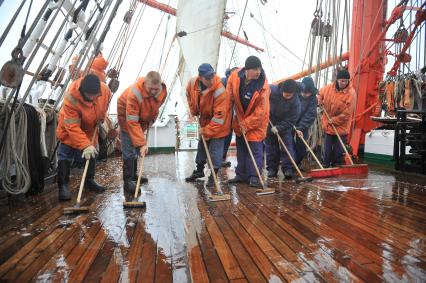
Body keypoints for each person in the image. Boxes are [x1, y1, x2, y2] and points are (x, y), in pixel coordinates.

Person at [56, 74, 111, 201]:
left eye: (95, 95)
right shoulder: (71, 96)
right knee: (65, 154)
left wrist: (101, 117)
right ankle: (63, 186)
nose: (92, 98)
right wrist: (85, 145)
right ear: (82, 90)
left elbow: (105, 104)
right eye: (89, 95)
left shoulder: (105, 90)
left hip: (90, 127)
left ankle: (89, 181)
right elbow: (72, 126)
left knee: (92, 153)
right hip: (69, 128)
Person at [117, 71, 167, 192]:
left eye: (156, 89)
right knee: (129, 148)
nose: (154, 92)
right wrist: (142, 144)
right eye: (151, 89)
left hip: (142, 117)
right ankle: (128, 181)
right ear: (145, 83)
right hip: (127, 117)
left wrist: (151, 120)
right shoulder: (135, 93)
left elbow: (156, 107)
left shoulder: (162, 91)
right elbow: (132, 122)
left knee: (135, 149)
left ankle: (134, 175)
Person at [226, 56, 270, 187]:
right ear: (247, 70)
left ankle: (254, 176)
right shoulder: (235, 76)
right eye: (255, 69)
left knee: (255, 151)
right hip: (240, 119)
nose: (258, 71)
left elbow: (261, 112)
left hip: (257, 123)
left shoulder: (263, 86)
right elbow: (229, 89)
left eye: (259, 69)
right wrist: (230, 98)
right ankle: (241, 175)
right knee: (242, 149)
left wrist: (245, 125)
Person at [185, 63, 231, 186]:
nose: (211, 80)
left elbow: (219, 118)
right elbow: (189, 96)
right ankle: (199, 171)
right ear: (200, 77)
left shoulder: (220, 91)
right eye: (207, 78)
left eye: (212, 76)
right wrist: (193, 111)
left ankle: (213, 175)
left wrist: (205, 131)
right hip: (205, 120)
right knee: (202, 146)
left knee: (215, 150)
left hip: (220, 123)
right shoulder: (191, 83)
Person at [318, 68, 356, 167]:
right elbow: (319, 95)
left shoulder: (351, 93)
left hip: (341, 126)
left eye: (345, 81)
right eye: (341, 80)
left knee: (338, 150)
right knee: (327, 148)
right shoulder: (328, 88)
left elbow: (347, 113)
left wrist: (334, 120)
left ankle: (336, 166)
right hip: (328, 123)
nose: (343, 83)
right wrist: (319, 101)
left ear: (348, 81)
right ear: (337, 80)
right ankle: (325, 165)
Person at [266, 79, 301, 179]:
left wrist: (279, 127)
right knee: (271, 146)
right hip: (270, 120)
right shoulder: (272, 91)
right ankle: (272, 168)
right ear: (281, 90)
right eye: (285, 94)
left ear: (293, 94)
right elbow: (262, 98)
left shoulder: (296, 102)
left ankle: (288, 169)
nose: (286, 96)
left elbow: (292, 119)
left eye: (289, 95)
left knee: (287, 145)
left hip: (285, 123)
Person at [294, 77, 318, 166]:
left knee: (301, 147)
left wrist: (300, 128)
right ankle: (289, 165)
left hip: (303, 126)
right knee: (288, 145)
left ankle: (296, 164)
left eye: (308, 93)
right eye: (304, 92)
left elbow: (310, 115)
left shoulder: (313, 99)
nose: (306, 95)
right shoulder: (294, 93)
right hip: (290, 123)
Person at [220, 67, 238, 167]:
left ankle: (222, 158)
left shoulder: (237, 84)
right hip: (223, 117)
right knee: (221, 138)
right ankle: (217, 159)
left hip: (231, 117)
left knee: (228, 138)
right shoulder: (222, 83)